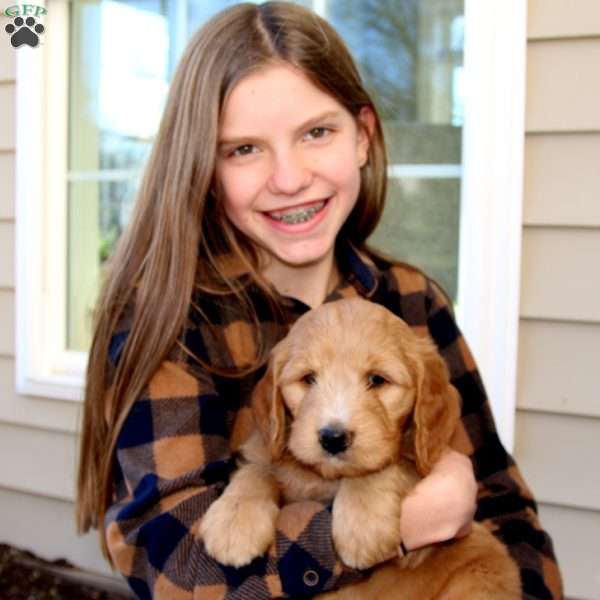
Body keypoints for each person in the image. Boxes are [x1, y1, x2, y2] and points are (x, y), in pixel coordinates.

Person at [75, 3, 563, 599]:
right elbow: (176, 566)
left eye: (316, 132)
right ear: (204, 169)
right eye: (244, 149)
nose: (289, 178)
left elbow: (508, 510)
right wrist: (389, 528)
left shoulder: (412, 301)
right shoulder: (170, 322)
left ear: (363, 135)